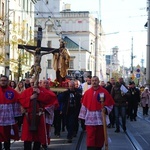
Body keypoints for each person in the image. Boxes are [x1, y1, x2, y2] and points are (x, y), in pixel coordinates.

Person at [19, 78, 58, 150]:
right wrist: (30, 98)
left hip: (39, 116)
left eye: (35, 83)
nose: (33, 84)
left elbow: (51, 99)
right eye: (32, 83)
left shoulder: (43, 90)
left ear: (38, 83)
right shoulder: (26, 91)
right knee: (27, 136)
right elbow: (20, 100)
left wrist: (40, 94)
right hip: (29, 116)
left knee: (38, 137)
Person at [78, 76, 114, 150]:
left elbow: (110, 104)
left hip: (100, 119)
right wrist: (82, 117)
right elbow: (84, 105)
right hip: (90, 119)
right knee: (90, 136)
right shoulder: (87, 93)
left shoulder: (104, 92)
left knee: (99, 137)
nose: (94, 82)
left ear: (98, 81)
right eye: (93, 80)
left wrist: (106, 109)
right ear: (91, 82)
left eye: (96, 80)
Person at [0, 75, 21, 150]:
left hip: (8, 118)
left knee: (7, 135)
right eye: (1, 80)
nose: (3, 82)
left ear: (7, 81)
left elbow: (17, 103)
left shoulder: (12, 91)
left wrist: (16, 117)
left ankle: (7, 148)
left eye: (4, 80)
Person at [41, 79, 59, 149]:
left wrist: (46, 109)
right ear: (41, 84)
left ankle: (45, 142)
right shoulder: (38, 92)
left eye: (46, 83)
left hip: (47, 114)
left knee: (47, 129)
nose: (45, 84)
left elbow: (55, 104)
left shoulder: (51, 94)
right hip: (39, 114)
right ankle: (40, 142)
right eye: (44, 83)